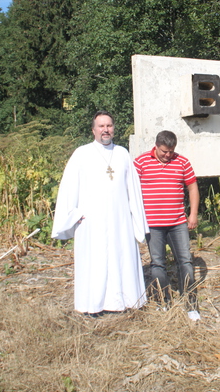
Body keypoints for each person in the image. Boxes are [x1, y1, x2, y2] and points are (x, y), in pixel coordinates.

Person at [51, 111, 148, 315]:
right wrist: (74, 214)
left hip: (120, 221)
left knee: (121, 258)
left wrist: (137, 221)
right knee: (95, 262)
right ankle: (93, 305)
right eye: (101, 126)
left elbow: (134, 190)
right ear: (93, 130)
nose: (106, 130)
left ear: (114, 128)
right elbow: (69, 187)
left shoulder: (122, 153)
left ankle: (124, 302)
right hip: (92, 223)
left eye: (109, 126)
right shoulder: (82, 154)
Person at [134, 130, 201, 321]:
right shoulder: (140, 163)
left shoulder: (182, 162)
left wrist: (193, 213)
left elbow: (192, 187)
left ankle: (191, 303)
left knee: (186, 262)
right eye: (164, 151)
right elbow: (130, 187)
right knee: (157, 264)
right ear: (156, 146)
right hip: (153, 224)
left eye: (171, 151)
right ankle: (164, 300)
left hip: (177, 222)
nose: (167, 155)